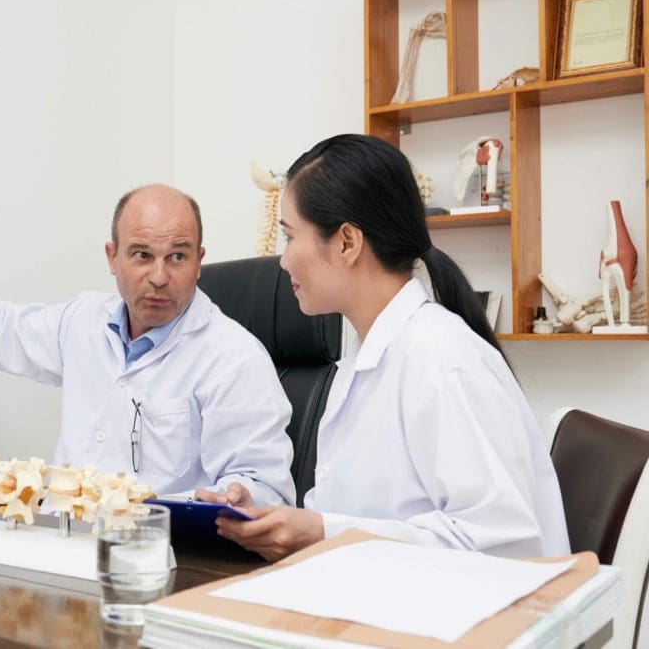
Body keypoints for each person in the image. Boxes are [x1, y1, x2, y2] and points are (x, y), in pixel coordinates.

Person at [197, 134, 569, 560]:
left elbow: (504, 546)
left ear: (347, 242)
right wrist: (269, 520)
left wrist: (321, 533)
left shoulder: (442, 360)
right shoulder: (363, 355)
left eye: (290, 237)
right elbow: (348, 514)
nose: (283, 262)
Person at [0, 184, 296, 505]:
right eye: (141, 255)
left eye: (177, 256)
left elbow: (263, 486)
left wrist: (240, 493)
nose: (159, 276)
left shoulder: (234, 358)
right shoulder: (83, 321)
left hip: (161, 562)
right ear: (112, 258)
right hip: (65, 548)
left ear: (199, 261)